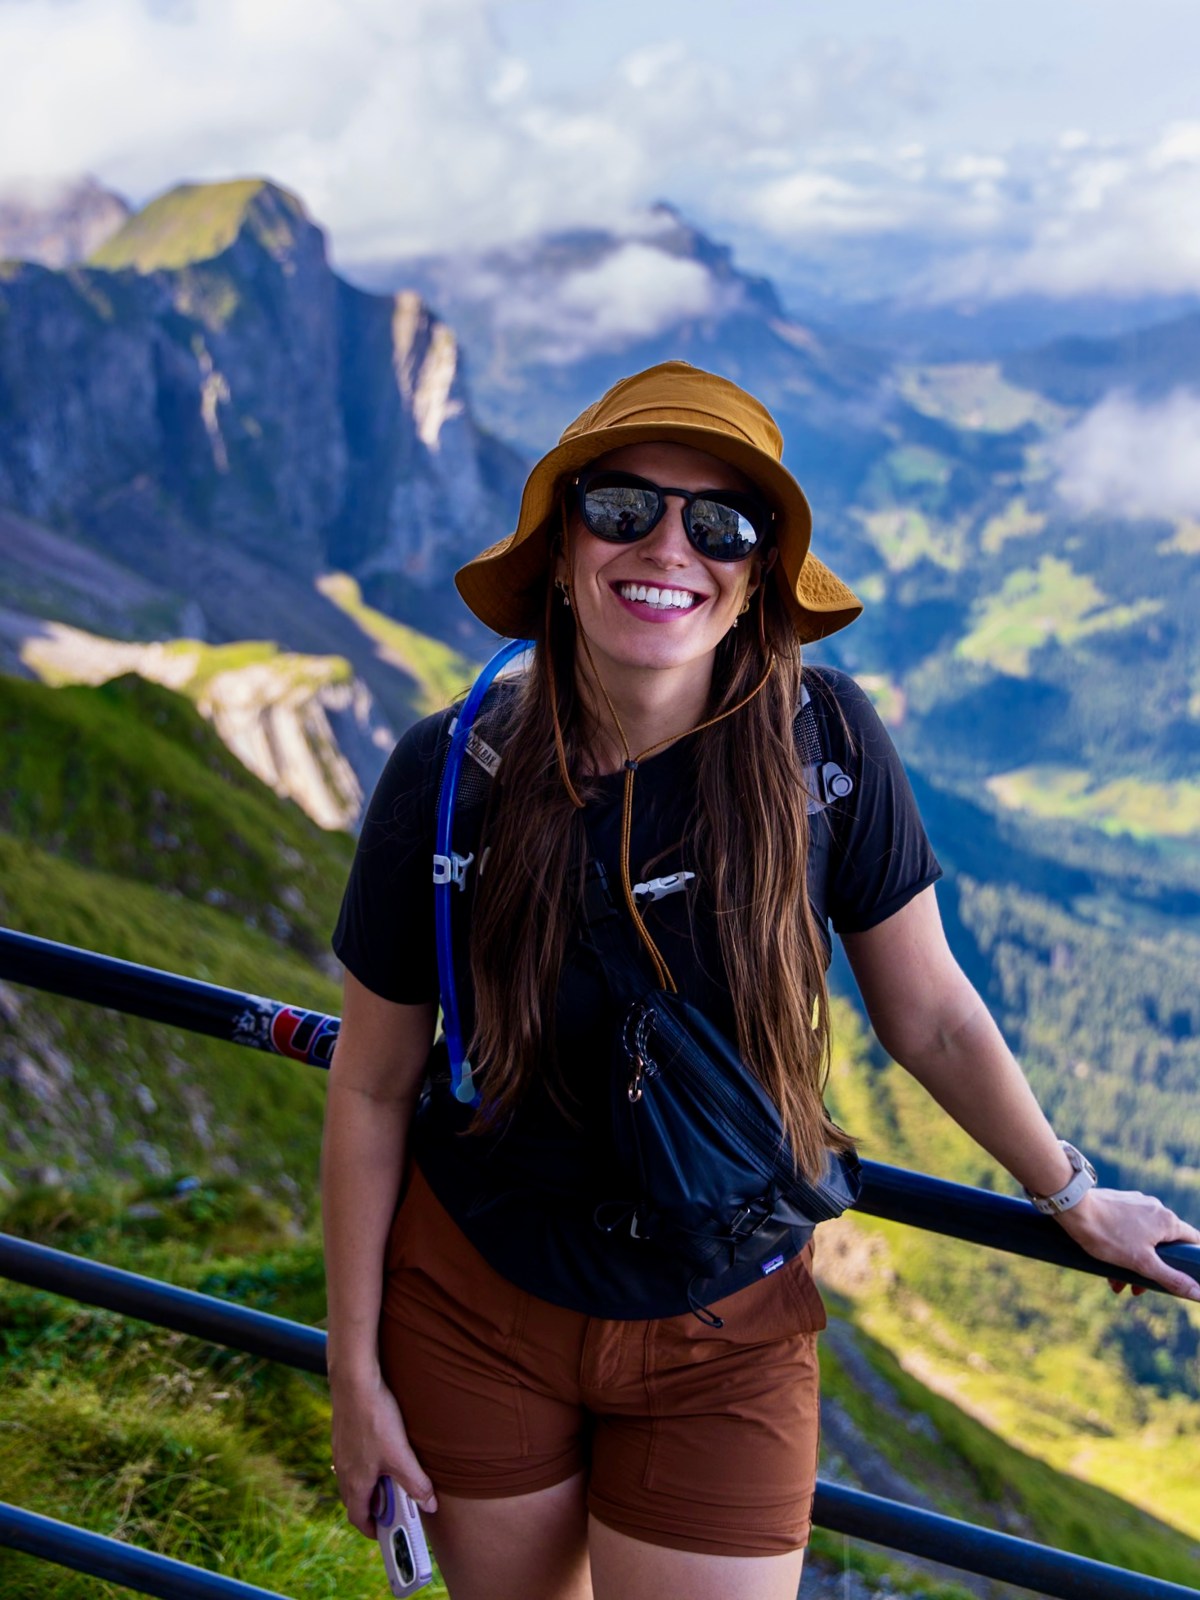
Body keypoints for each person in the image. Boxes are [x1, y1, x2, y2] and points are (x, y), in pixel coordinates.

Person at [322, 361, 1200, 1600]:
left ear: (752, 585)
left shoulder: (825, 744)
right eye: (623, 506)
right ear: (563, 547)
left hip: (724, 1329)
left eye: (720, 523)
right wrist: (354, 1375)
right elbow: (369, 1092)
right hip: (477, 1313)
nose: (668, 545)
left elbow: (933, 1014)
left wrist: (1069, 1192)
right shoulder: (449, 773)